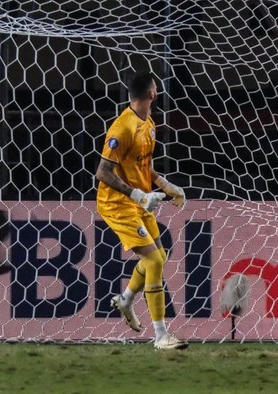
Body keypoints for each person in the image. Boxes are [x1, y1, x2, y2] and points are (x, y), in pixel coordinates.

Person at [95, 71, 188, 350]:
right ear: (152, 93)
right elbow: (102, 171)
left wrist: (166, 185)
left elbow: (143, 167)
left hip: (140, 201)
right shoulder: (121, 128)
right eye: (156, 86)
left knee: (159, 256)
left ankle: (125, 299)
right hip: (117, 204)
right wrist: (137, 194)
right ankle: (160, 336)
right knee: (155, 262)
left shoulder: (148, 123)